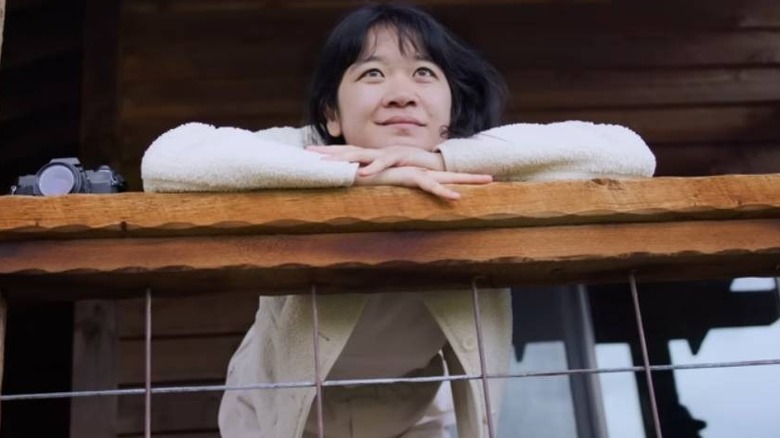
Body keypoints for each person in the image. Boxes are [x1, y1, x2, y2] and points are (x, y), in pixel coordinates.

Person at [141, 4, 656, 438]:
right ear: (332, 115)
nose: (401, 92)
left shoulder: (477, 160)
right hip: (275, 405)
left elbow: (629, 153)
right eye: (371, 73)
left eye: (424, 73)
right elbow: (166, 160)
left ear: (450, 113)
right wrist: (345, 173)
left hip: (412, 409)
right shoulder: (307, 149)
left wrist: (440, 162)